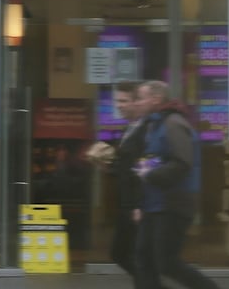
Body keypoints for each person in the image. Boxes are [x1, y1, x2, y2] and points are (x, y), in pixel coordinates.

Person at [133, 80, 220, 289]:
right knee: (144, 259)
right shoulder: (155, 124)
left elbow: (183, 162)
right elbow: (157, 158)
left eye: (140, 98)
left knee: (167, 263)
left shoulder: (173, 123)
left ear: (155, 99)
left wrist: (150, 174)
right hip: (154, 205)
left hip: (171, 205)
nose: (136, 103)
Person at [86, 82, 151, 280]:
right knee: (122, 254)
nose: (119, 105)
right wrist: (106, 166)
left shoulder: (145, 131)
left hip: (137, 205)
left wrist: (140, 205)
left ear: (136, 102)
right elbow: (127, 168)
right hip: (127, 203)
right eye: (117, 101)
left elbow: (145, 170)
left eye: (124, 101)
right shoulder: (129, 129)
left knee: (132, 255)